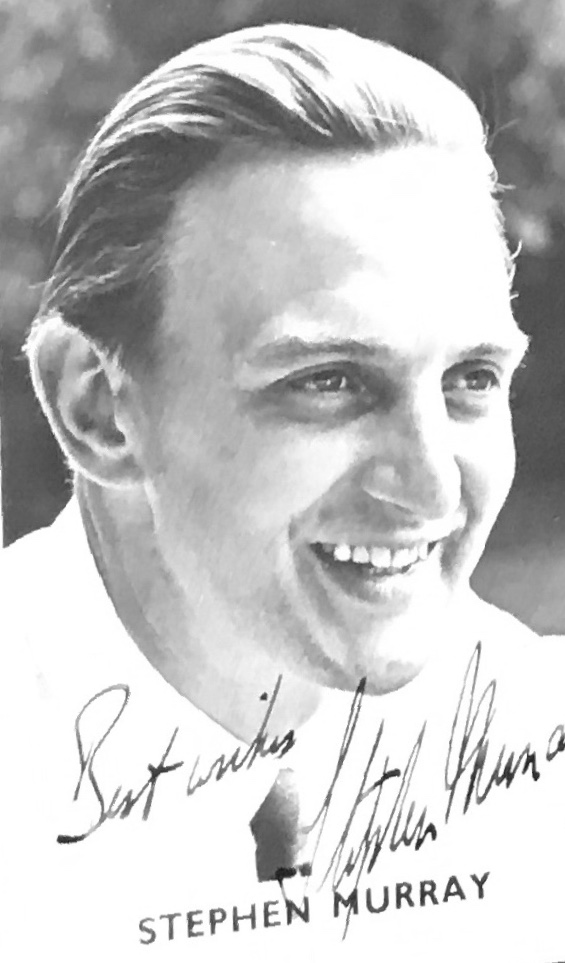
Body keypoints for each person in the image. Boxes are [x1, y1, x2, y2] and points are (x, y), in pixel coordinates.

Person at [2, 22, 564, 962]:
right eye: (329, 381)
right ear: (97, 407)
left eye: (471, 378)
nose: (431, 485)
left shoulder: (538, 739)